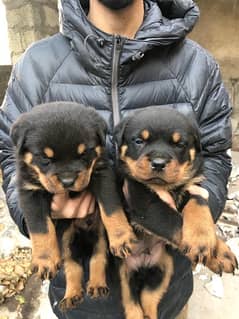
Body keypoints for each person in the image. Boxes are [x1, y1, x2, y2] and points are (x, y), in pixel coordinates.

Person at [0, 0, 232, 318]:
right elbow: (10, 156)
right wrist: (39, 216)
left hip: (166, 291)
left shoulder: (196, 65)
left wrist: (197, 211)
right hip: (82, 299)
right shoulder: (37, 65)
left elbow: (216, 154)